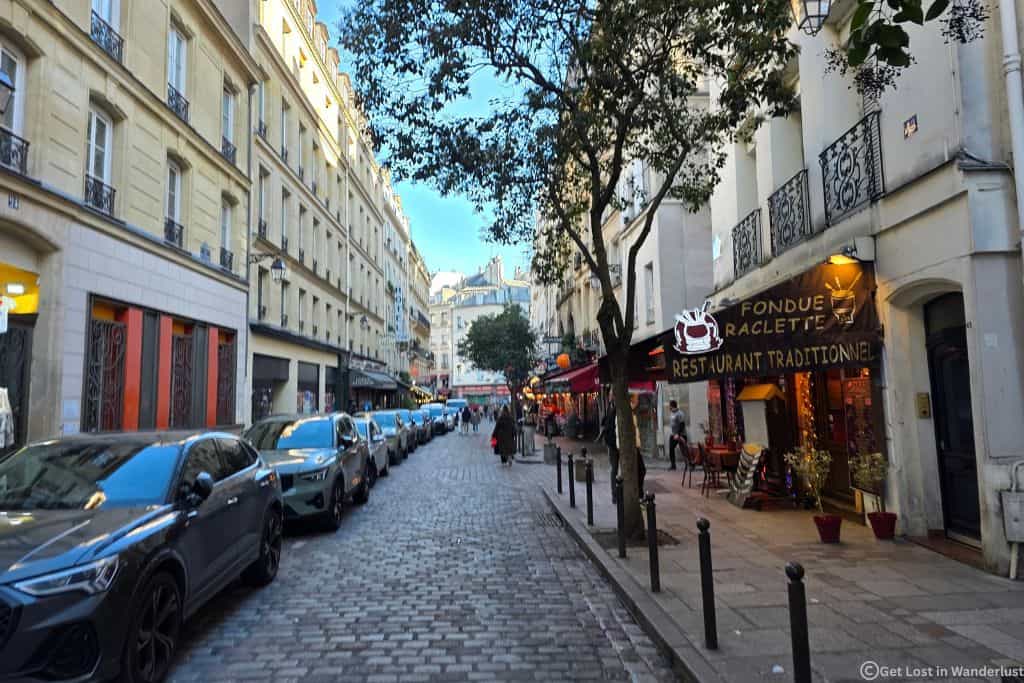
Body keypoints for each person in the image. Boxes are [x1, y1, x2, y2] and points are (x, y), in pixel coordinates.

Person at [598, 399, 619, 502]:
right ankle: (615, 494)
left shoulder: (611, 407)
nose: (610, 396)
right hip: (613, 444)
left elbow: (604, 423)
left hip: (615, 443)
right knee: (614, 468)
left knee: (615, 469)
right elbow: (606, 424)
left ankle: (616, 494)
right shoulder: (612, 408)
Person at [668, 400, 687, 471]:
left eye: (669, 405)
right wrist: (673, 434)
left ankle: (688, 464)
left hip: (681, 434)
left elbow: (682, 424)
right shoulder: (671, 413)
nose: (669, 407)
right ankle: (673, 465)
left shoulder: (680, 413)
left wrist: (678, 434)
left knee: (684, 450)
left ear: (672, 406)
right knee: (671, 449)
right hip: (673, 435)